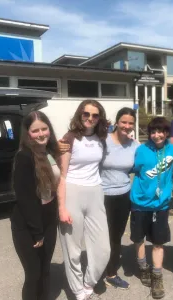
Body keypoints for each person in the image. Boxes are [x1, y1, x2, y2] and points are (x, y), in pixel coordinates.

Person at [58, 99, 110, 300]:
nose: (90, 118)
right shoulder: (70, 138)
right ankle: (78, 290)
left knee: (103, 248)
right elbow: (62, 175)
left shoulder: (101, 138)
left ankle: (89, 283)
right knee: (72, 248)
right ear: (80, 115)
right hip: (72, 191)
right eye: (86, 114)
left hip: (95, 192)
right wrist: (61, 206)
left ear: (100, 118)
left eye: (95, 115)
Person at [10, 111, 60, 300]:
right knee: (33, 274)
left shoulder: (51, 152)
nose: (41, 134)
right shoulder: (24, 156)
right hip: (28, 225)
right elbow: (25, 198)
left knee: (46, 270)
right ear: (28, 133)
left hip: (48, 220)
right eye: (35, 130)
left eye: (44, 129)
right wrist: (36, 231)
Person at [130, 117, 173, 299]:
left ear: (166, 133)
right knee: (139, 238)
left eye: (160, 131)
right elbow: (132, 168)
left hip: (161, 204)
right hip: (140, 203)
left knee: (158, 242)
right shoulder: (141, 150)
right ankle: (143, 268)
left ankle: (157, 276)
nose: (156, 135)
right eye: (153, 132)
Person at [101, 107, 140, 289]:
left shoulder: (135, 146)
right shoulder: (103, 141)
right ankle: (95, 272)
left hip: (124, 196)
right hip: (101, 196)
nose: (127, 126)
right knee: (100, 236)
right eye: (124, 122)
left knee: (116, 236)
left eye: (130, 123)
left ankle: (111, 272)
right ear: (117, 122)